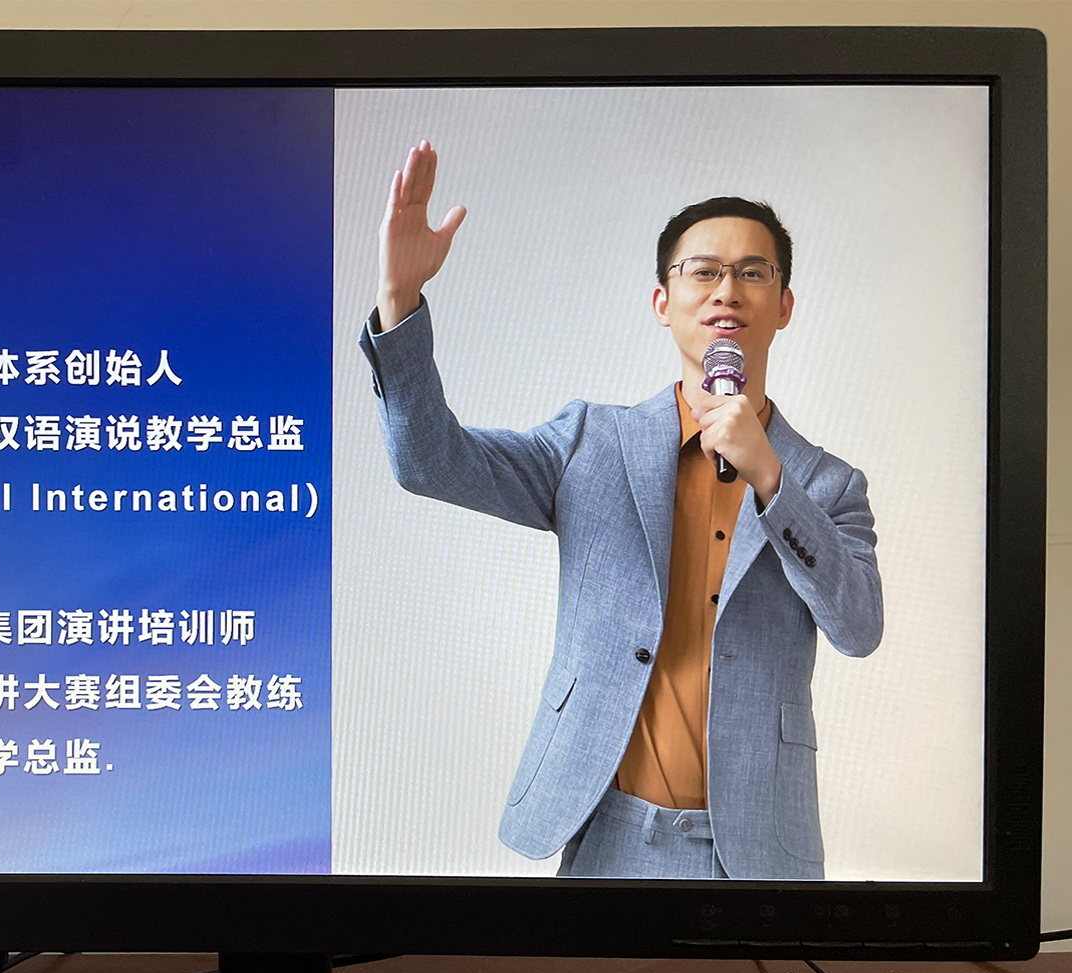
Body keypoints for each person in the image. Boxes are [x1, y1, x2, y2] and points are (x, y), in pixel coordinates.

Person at [358, 140, 883, 880]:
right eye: (703, 271)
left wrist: (772, 480)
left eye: (752, 273)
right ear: (663, 303)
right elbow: (430, 463)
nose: (727, 291)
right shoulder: (591, 444)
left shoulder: (828, 485)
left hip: (756, 851)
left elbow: (859, 629)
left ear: (784, 305)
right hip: (606, 831)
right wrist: (400, 302)